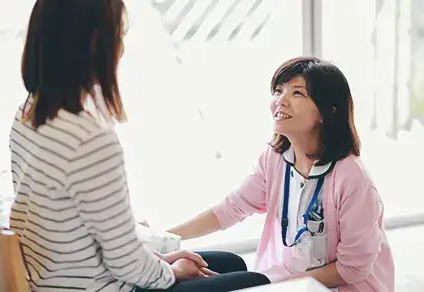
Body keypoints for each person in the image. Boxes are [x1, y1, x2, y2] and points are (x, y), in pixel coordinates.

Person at [8, 0, 269, 291]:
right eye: (119, 35)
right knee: (256, 281)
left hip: (55, 279)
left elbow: (96, 236)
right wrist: (171, 271)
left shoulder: (27, 115)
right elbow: (124, 262)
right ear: (96, 44)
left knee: (229, 263)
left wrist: (163, 260)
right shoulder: (90, 140)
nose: (121, 49)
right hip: (100, 286)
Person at [169, 57, 395, 291]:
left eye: (297, 93)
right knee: (226, 267)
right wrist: (165, 237)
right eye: (278, 91)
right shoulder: (275, 159)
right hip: (287, 281)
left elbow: (352, 269)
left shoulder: (353, 180)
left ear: (326, 112)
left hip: (337, 287)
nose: (280, 101)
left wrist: (271, 285)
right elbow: (231, 209)